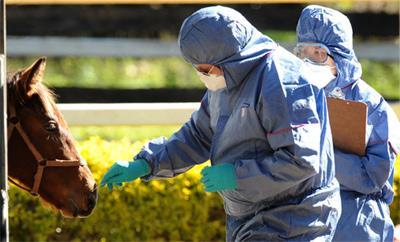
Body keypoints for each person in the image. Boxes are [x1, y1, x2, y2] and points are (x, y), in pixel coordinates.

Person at [101, 6, 342, 241]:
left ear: (226, 59)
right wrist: (146, 163)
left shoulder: (281, 81)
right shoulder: (227, 78)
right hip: (251, 217)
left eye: (203, 68)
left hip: (295, 221)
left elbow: (302, 160)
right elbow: (197, 135)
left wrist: (238, 176)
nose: (201, 73)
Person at [295, 5, 400, 241]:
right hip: (310, 226)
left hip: (360, 227)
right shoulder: (300, 97)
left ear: (339, 54)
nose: (308, 60)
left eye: (318, 53)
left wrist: (319, 158)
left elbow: (374, 175)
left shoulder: (371, 105)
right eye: (302, 51)